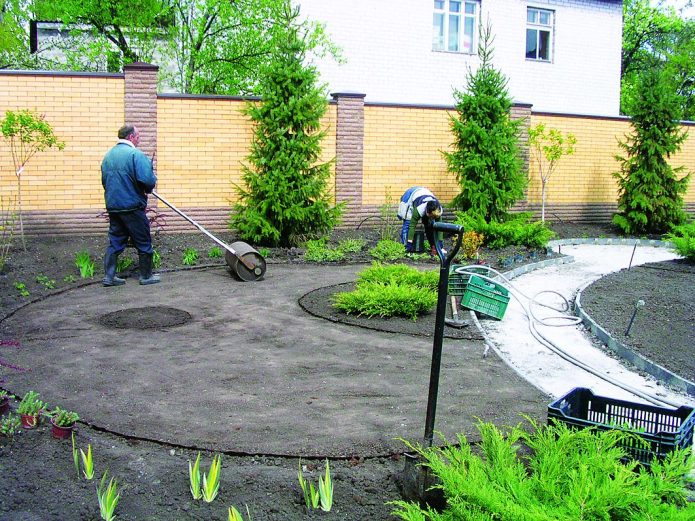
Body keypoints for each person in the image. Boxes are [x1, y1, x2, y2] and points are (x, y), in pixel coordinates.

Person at [101, 124, 160, 286]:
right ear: (131, 137)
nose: (139, 140)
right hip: (132, 206)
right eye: (138, 137)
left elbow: (104, 181)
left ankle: (109, 277)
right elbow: (147, 180)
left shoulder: (108, 156)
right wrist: (148, 187)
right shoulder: (135, 154)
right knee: (143, 240)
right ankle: (146, 276)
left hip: (114, 207)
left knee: (116, 241)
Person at [396, 186, 445, 254]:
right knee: (408, 222)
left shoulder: (438, 210)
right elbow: (412, 226)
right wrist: (409, 242)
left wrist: (440, 243)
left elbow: (440, 227)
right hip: (410, 195)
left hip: (424, 193)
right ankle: (405, 247)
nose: (433, 218)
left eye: (434, 217)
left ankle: (433, 247)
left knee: (430, 225)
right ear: (427, 212)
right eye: (431, 216)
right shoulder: (419, 209)